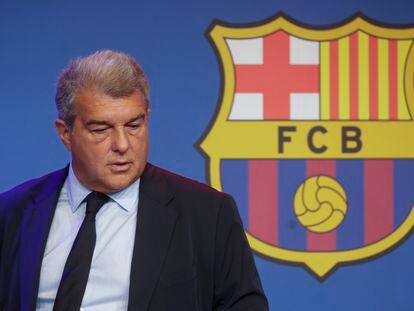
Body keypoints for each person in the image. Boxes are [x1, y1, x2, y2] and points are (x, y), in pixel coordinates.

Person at [0, 50, 268, 311]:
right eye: (101, 129)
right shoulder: (13, 213)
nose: (122, 144)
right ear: (65, 133)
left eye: (134, 125)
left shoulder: (207, 214)